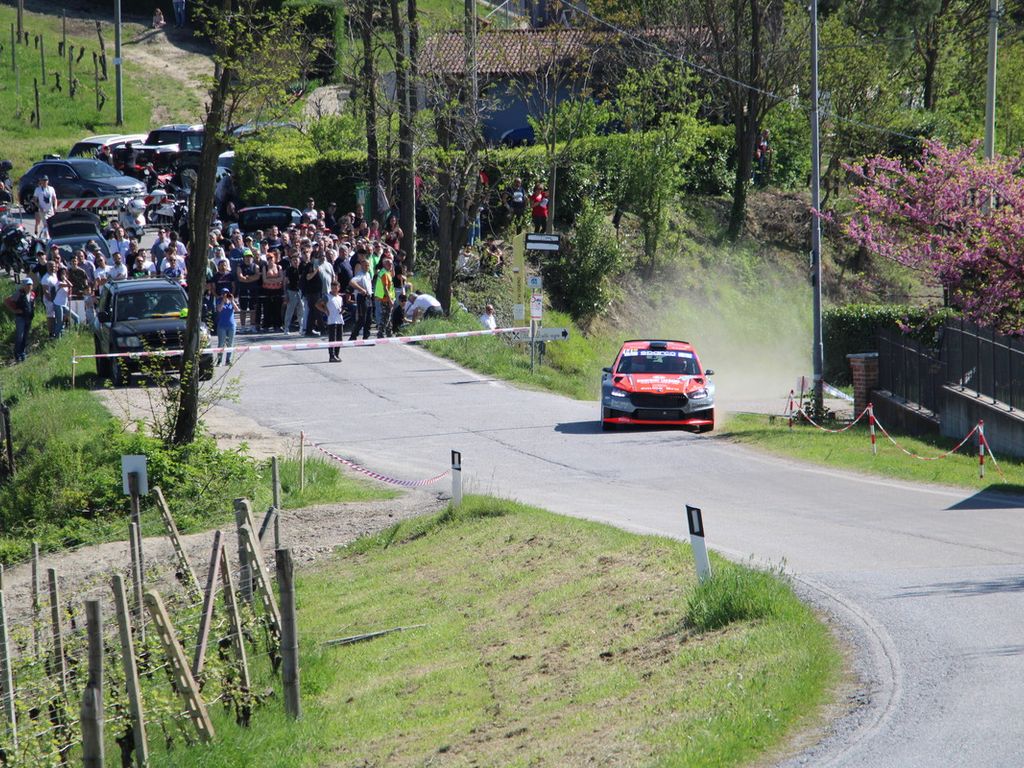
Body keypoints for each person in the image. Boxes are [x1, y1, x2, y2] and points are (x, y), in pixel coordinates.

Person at [316, 280, 345, 362]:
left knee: (339, 339)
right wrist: (324, 310)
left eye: (336, 288)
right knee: (332, 339)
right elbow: (317, 304)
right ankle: (331, 356)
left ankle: (337, 354)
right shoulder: (327, 297)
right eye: (332, 288)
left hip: (339, 320)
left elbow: (341, 306)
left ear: (339, 288)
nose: (334, 289)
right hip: (332, 321)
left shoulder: (340, 298)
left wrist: (342, 310)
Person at [9, 277, 35, 362]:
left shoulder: (33, 294)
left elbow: (32, 303)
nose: (29, 286)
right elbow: (7, 301)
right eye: (27, 284)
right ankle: (17, 354)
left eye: (30, 284)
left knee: (25, 336)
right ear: (24, 285)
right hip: (20, 317)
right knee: (20, 336)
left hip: (29, 317)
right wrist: (14, 310)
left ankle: (22, 353)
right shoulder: (19, 293)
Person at [348, 259, 373, 340]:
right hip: (362, 298)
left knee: (369, 319)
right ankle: (353, 336)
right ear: (361, 266)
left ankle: (366, 337)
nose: (367, 267)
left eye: (368, 265)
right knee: (362, 319)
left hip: (369, 297)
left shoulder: (368, 274)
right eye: (365, 265)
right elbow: (352, 282)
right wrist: (361, 289)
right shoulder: (360, 274)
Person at [214, 289, 239, 366]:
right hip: (222, 326)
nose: (225, 295)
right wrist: (223, 301)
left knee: (230, 343)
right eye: (224, 293)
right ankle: (219, 361)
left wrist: (232, 301)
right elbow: (219, 309)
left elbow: (237, 310)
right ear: (221, 294)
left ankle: (228, 360)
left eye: (227, 293)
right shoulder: (218, 301)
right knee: (221, 343)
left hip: (231, 326)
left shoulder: (231, 301)